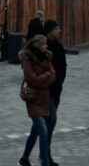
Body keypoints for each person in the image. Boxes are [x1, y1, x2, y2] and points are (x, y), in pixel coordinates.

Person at [19, 35, 55, 166]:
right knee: (43, 133)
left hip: (44, 99)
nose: (46, 46)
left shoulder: (47, 57)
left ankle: (24, 159)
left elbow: (53, 74)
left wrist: (44, 79)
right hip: (33, 99)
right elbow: (31, 78)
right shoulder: (27, 59)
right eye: (44, 44)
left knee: (35, 133)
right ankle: (44, 163)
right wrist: (45, 76)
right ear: (38, 46)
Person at [44, 20, 67, 166]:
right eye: (56, 28)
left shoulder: (58, 46)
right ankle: (46, 157)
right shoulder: (43, 46)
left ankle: (27, 156)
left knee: (41, 127)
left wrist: (60, 82)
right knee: (51, 122)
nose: (59, 30)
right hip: (45, 92)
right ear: (50, 30)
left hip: (56, 90)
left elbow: (63, 66)